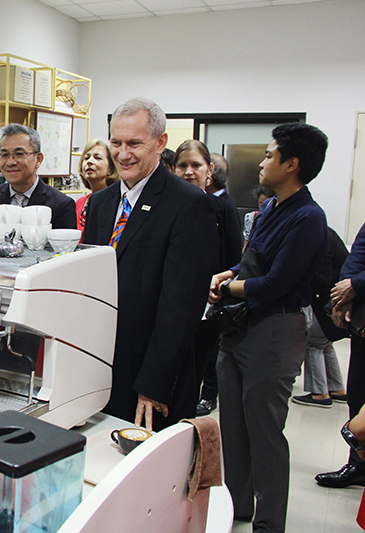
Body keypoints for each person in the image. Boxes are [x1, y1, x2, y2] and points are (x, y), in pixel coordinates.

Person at [209, 123, 329, 531]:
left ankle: (269, 522)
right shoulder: (270, 208)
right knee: (234, 426)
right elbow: (249, 264)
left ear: (291, 164)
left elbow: (277, 282)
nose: (261, 163)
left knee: (265, 432)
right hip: (241, 328)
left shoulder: (309, 217)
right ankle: (237, 506)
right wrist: (227, 274)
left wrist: (230, 286)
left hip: (275, 331)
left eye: (269, 155)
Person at [82, 97, 218, 431]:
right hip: (99, 364)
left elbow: (181, 306)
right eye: (115, 142)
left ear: (160, 143)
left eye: (134, 144)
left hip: (152, 374)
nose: (122, 153)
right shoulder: (100, 203)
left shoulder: (188, 205)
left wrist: (153, 383)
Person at [172, 140, 242, 418]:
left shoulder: (223, 209)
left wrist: (219, 286)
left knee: (192, 374)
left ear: (209, 170)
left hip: (207, 307)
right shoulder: (165, 208)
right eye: (182, 165)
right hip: (169, 305)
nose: (189, 171)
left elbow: (234, 260)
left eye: (196, 165)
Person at [316, 221, 365, 489]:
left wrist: (356, 284)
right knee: (358, 394)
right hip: (363, 324)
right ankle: (358, 464)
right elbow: (357, 255)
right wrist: (344, 295)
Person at [0, 123, 76, 234]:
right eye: (4, 155)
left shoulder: (61, 205)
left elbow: (66, 250)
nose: (10, 162)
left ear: (38, 159)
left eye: (19, 154)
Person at [292, 227, 348, 408]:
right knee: (325, 342)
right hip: (337, 301)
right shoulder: (327, 233)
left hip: (331, 301)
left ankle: (319, 393)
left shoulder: (320, 239)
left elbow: (323, 280)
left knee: (313, 341)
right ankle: (336, 388)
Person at [75, 138, 118, 232]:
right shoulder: (79, 203)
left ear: (110, 168)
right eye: (86, 158)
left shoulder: (118, 203)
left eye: (97, 158)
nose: (89, 161)